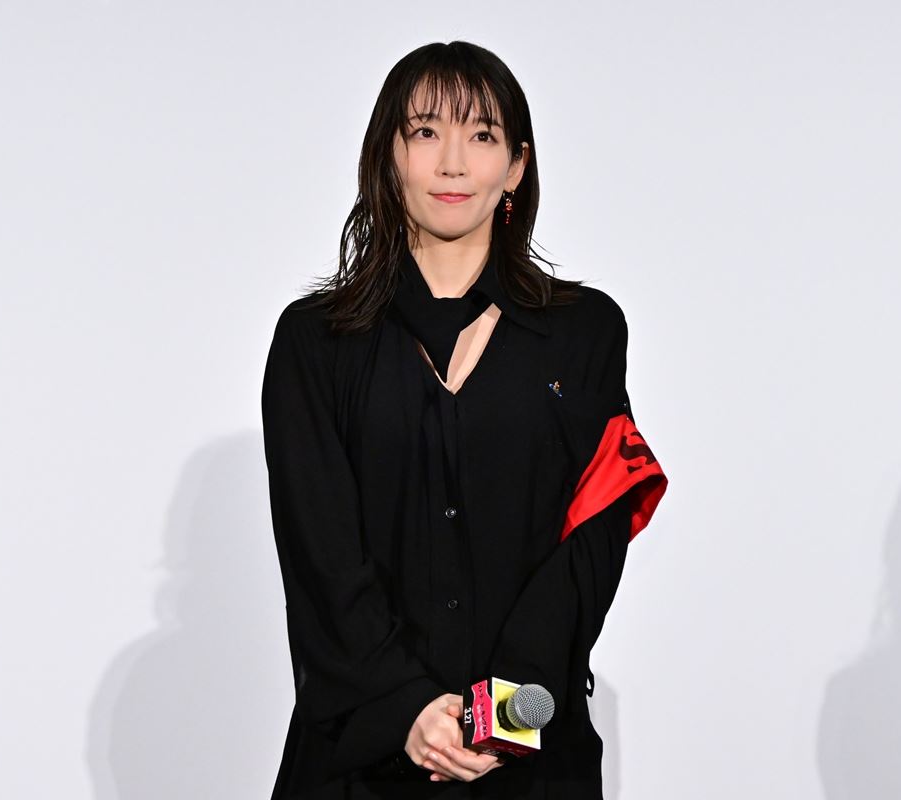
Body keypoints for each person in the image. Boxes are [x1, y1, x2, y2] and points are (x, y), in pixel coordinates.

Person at [262, 40, 668, 799]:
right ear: (388, 155)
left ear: (515, 166)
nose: (453, 164)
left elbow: (595, 531)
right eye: (425, 132)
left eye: (481, 136)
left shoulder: (584, 333)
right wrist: (407, 709)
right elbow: (319, 551)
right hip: (360, 758)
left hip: (529, 754)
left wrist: (500, 717)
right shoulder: (314, 343)